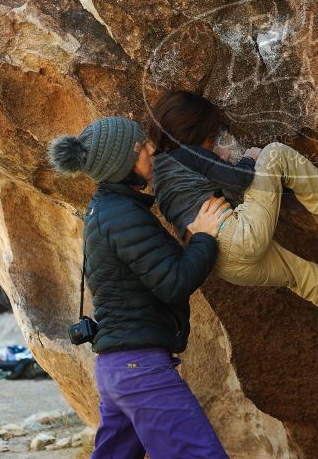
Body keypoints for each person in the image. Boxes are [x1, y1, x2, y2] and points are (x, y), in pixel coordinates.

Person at [148, 90, 318, 337]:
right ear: (192, 131)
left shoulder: (160, 175)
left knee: (301, 277)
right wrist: (249, 159)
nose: (213, 142)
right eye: (212, 136)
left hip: (223, 265)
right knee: (274, 154)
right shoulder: (184, 151)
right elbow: (240, 180)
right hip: (237, 235)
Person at [48, 116, 232, 459]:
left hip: (118, 369)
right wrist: (205, 236)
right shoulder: (122, 214)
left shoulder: (109, 210)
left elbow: (154, 270)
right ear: (122, 163)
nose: (150, 149)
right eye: (140, 146)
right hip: (140, 370)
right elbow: (174, 282)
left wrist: (192, 240)